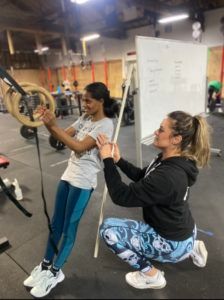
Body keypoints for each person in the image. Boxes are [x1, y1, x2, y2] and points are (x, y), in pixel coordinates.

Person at [96, 110, 211, 290]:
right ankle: (192, 248)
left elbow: (121, 196)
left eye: (161, 129)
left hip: (172, 243)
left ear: (176, 139)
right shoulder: (173, 159)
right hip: (187, 231)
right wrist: (118, 161)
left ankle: (151, 275)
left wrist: (107, 160)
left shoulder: (169, 176)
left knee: (108, 230)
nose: (156, 132)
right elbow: (144, 177)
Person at [23, 82, 118, 298]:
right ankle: (46, 265)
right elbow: (61, 138)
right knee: (55, 223)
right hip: (68, 176)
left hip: (83, 182)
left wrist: (54, 126)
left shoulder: (105, 125)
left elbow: (77, 146)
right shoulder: (85, 118)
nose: (83, 104)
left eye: (88, 100)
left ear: (101, 101)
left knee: (68, 229)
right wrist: (48, 122)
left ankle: (56, 273)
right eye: (82, 99)